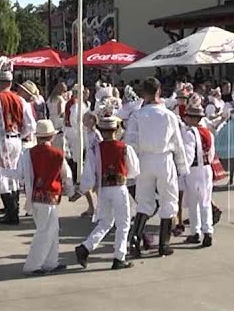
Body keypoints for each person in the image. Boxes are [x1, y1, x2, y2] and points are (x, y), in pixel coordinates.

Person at [125, 77, 186, 259]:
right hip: (164, 159)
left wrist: (131, 167)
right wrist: (183, 168)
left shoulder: (137, 115)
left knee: (144, 201)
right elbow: (178, 143)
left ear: (144, 94)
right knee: (169, 200)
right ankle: (164, 244)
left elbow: (130, 143)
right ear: (159, 91)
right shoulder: (168, 115)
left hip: (144, 159)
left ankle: (135, 240)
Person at [75, 113, 138, 270]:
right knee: (123, 223)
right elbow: (134, 171)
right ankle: (119, 257)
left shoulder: (95, 150)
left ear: (100, 130)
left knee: (105, 222)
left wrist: (82, 190)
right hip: (119, 187)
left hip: (103, 189)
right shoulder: (124, 148)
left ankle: (86, 247)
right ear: (116, 130)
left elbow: (89, 174)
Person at [0, 58, 35, 226]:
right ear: (11, 82)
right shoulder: (21, 100)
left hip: (0, 139)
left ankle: (11, 212)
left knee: (0, 175)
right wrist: (20, 134)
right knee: (13, 173)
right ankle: (14, 209)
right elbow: (31, 125)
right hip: (16, 139)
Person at [18, 119, 71, 275]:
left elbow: (22, 173)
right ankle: (32, 265)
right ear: (51, 137)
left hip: (35, 196)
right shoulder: (58, 154)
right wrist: (71, 191)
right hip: (51, 196)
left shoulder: (29, 153)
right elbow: (66, 175)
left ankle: (51, 262)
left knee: (52, 230)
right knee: (45, 231)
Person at [180, 102, 215, 248]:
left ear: (193, 118)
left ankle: (195, 232)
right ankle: (208, 231)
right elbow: (212, 153)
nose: (185, 119)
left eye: (188, 116)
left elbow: (188, 154)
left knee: (193, 202)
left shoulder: (189, 133)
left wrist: (182, 170)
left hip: (194, 169)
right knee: (205, 201)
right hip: (206, 168)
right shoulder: (208, 132)